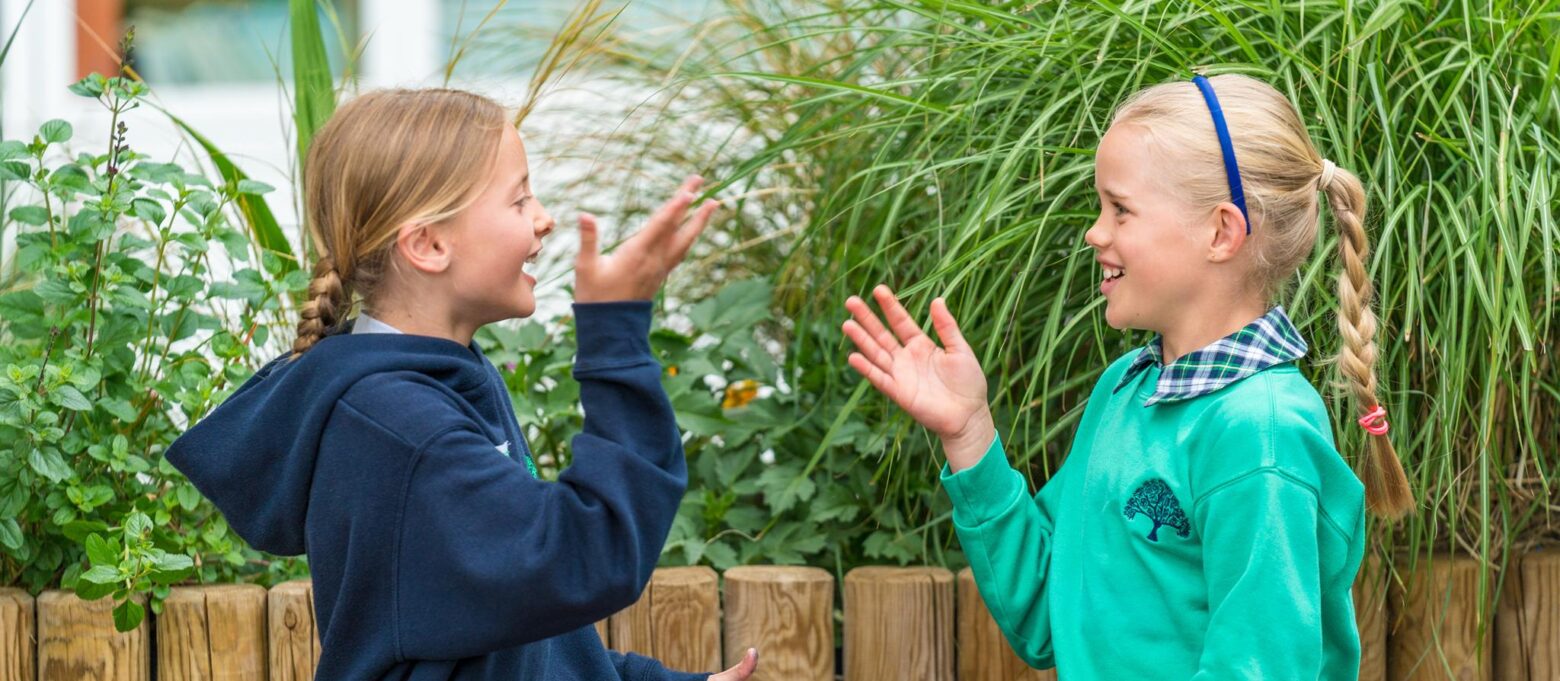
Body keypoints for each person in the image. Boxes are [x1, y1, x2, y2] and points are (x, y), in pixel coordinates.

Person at [169, 88, 758, 681]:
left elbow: (513, 634)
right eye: (519, 197)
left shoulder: (440, 386)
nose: (543, 218)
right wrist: (615, 333)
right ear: (428, 244)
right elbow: (590, 554)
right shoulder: (404, 430)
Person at [841, 73, 1414, 679]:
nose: (1095, 232)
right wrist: (969, 436)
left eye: (1120, 209)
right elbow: (1045, 614)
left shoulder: (1260, 433)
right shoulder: (1126, 389)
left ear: (1221, 232)